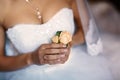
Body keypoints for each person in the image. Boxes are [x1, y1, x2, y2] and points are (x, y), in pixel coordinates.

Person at [0, 0, 113, 80]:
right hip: (27, 73)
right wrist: (31, 58)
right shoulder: (2, 6)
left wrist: (68, 43)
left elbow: (87, 30)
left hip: (77, 65)